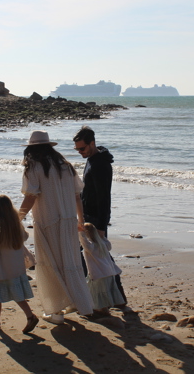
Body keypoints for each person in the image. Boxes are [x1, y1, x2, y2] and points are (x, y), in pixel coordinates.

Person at [18, 130, 94, 324]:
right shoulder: (65, 166)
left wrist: (18, 217)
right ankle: (79, 303)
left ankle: (56, 312)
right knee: (70, 263)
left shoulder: (33, 167)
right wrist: (80, 219)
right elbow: (78, 195)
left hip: (47, 222)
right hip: (68, 221)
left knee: (50, 265)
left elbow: (31, 195)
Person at [73, 126, 128, 308]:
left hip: (96, 218)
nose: (80, 152)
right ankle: (104, 294)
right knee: (96, 256)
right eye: (77, 149)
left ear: (92, 143)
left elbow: (104, 198)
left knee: (101, 257)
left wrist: (102, 227)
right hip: (87, 215)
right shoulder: (93, 158)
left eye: (82, 148)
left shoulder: (100, 165)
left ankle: (114, 295)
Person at [0, 194, 39, 334]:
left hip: (1, 272)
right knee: (18, 296)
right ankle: (29, 316)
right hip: (17, 270)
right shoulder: (17, 228)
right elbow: (25, 237)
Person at [79, 223, 125, 317]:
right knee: (105, 291)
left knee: (96, 292)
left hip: (98, 274)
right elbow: (109, 246)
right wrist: (103, 237)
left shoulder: (90, 247)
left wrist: (80, 232)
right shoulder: (102, 244)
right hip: (109, 272)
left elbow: (84, 241)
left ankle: (101, 309)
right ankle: (102, 308)